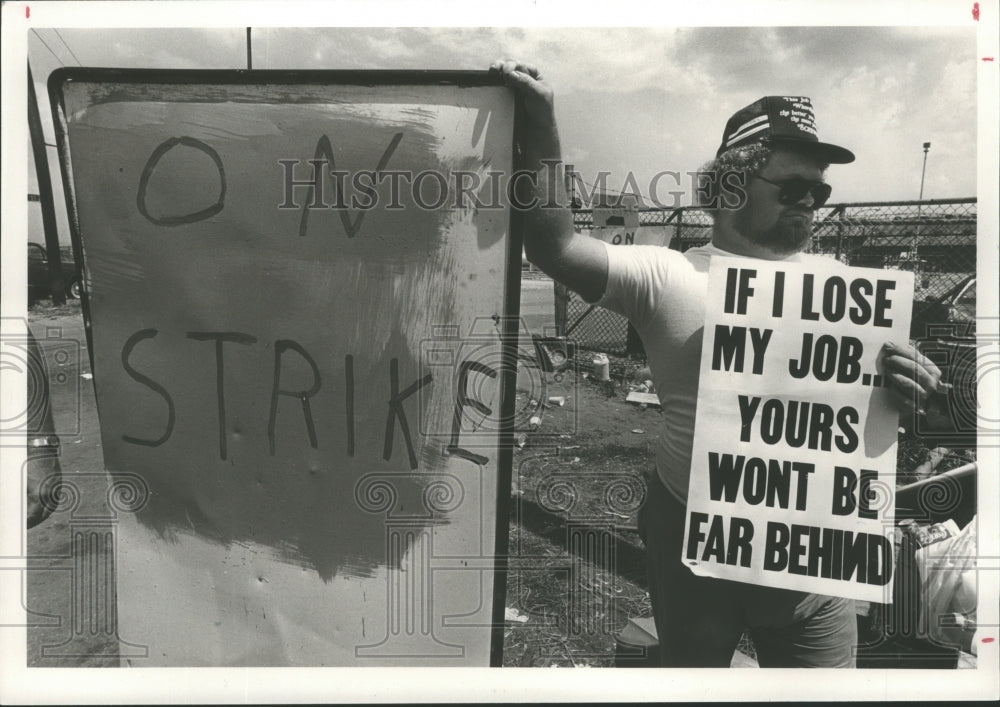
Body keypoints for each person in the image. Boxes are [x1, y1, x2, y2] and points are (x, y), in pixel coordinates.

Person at [490, 60, 944, 668]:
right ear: (731, 186)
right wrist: (542, 124)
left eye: (820, 191)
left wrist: (910, 385)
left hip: (811, 551)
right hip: (690, 537)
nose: (810, 203)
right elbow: (555, 245)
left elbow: (871, 415)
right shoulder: (668, 275)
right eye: (793, 188)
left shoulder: (850, 294)